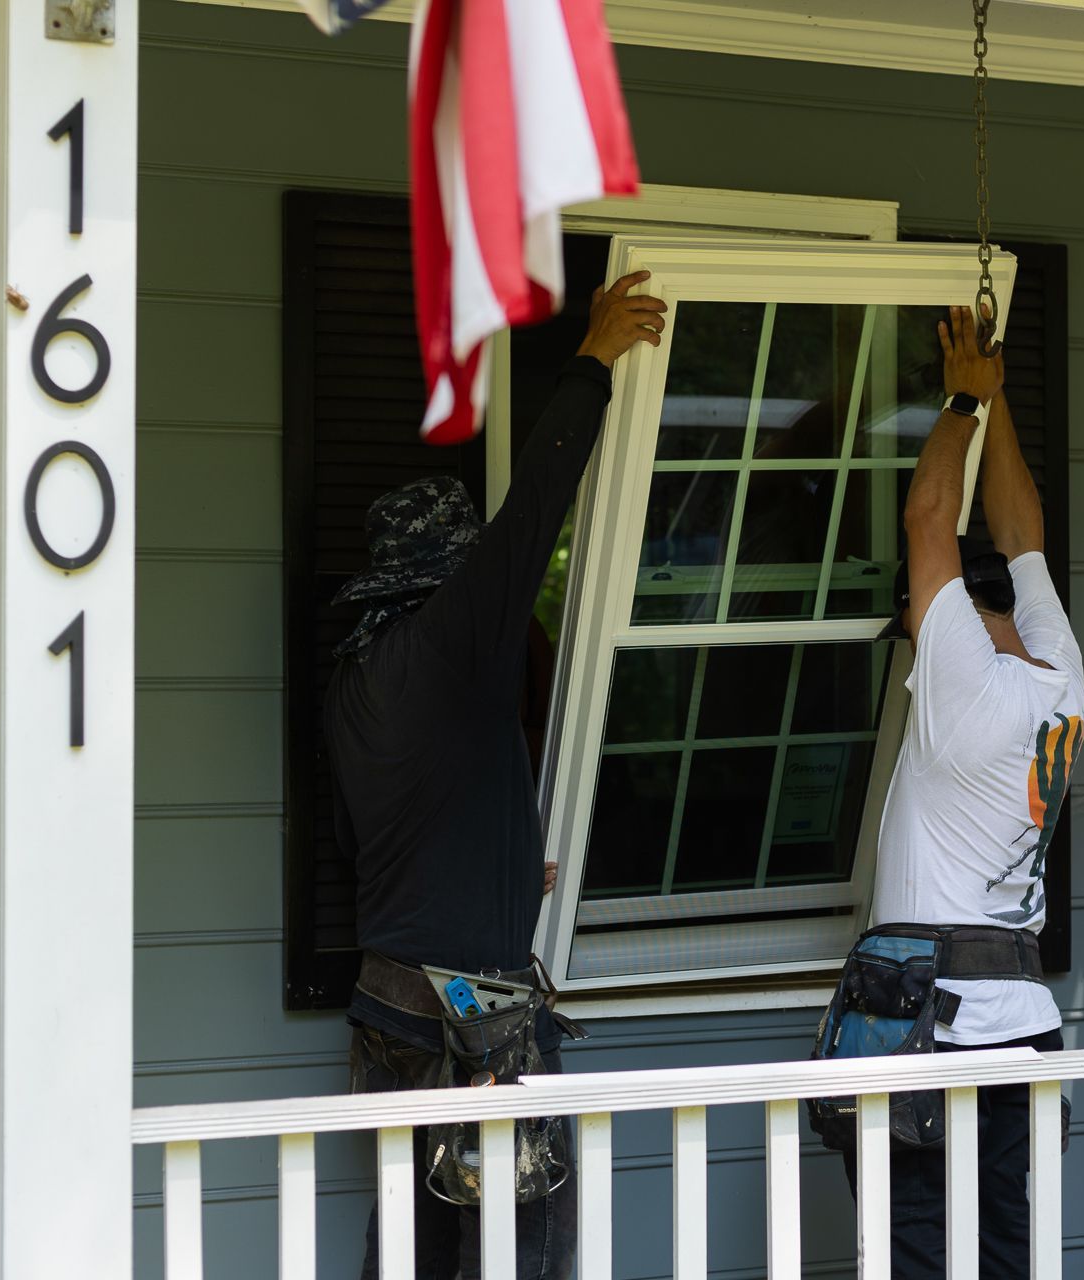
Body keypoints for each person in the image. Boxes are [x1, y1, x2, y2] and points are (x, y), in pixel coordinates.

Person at [324, 271, 666, 1280]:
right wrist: (594, 359)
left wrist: (506, 870)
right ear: (446, 576)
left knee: (416, 1255)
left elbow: (378, 834)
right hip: (471, 1024)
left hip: (386, 1009)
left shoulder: (354, 676)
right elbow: (533, 515)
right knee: (521, 1258)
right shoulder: (450, 640)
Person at [852, 305, 1084, 1278]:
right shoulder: (1057, 669)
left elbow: (924, 519)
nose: (908, 637)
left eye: (911, 618)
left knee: (913, 1253)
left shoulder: (959, 681)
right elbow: (1019, 528)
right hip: (1021, 1028)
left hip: (932, 1026)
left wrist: (957, 401)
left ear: (937, 612)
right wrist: (996, 403)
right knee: (1004, 1253)